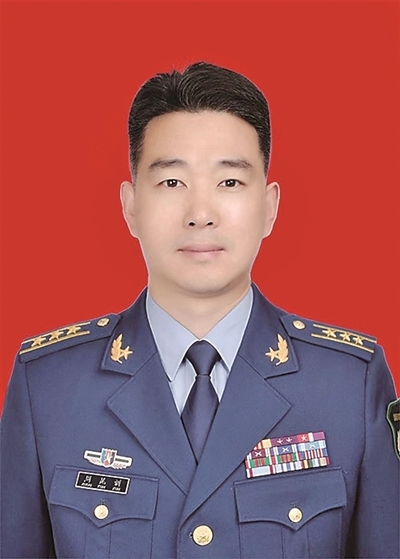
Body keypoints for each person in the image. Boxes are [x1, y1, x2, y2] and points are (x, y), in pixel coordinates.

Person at [1, 61, 399, 559]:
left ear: (270, 206)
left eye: (229, 182)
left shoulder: (348, 383)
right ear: (130, 205)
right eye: (172, 182)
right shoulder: (49, 385)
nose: (200, 214)